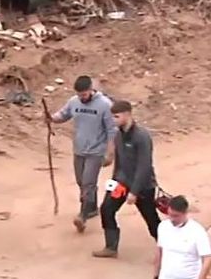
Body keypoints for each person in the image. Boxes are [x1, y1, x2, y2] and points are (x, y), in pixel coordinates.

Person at [93, 100, 162, 258]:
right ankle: (111, 247)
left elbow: (144, 166)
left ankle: (168, 248)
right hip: (121, 184)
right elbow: (119, 161)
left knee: (151, 220)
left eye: (116, 116)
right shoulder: (118, 135)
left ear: (127, 115)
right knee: (106, 209)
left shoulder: (141, 136)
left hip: (142, 187)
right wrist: (114, 181)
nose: (113, 120)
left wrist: (135, 191)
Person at [48, 75, 115, 233]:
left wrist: (110, 153)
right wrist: (51, 118)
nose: (82, 98)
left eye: (84, 94)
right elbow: (63, 115)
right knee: (81, 181)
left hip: (96, 151)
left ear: (92, 90)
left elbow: (112, 130)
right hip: (79, 150)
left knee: (88, 183)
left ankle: (82, 215)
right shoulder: (74, 101)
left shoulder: (105, 105)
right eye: (79, 95)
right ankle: (91, 207)